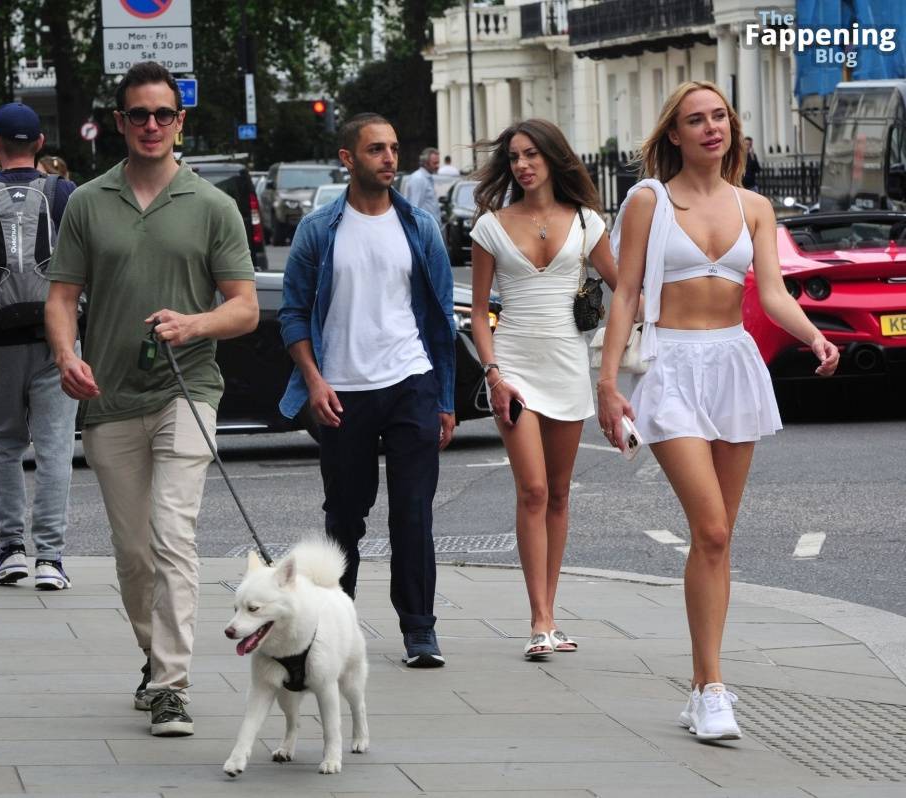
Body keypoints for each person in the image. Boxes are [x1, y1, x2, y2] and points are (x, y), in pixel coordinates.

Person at [596, 81, 838, 741]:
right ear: (673, 134)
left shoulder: (754, 206)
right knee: (709, 525)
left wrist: (814, 334)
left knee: (717, 537)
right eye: (696, 120)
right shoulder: (649, 200)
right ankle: (714, 690)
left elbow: (773, 291)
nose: (711, 128)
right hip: (671, 368)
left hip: (732, 364)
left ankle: (704, 684)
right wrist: (607, 381)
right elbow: (623, 296)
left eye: (720, 117)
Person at [44, 61, 259, 737]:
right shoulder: (86, 201)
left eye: (163, 114)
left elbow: (246, 308)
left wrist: (194, 324)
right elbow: (61, 297)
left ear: (180, 121)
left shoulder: (212, 206)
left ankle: (171, 683)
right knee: (134, 553)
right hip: (107, 396)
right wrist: (65, 355)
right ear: (120, 122)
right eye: (138, 114)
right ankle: (152, 656)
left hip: (187, 390)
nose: (151, 125)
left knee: (173, 535)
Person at [278, 113, 456, 669]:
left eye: (394, 147)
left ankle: (420, 629)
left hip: (410, 382)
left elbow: (441, 321)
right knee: (345, 517)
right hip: (343, 392)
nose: (389, 158)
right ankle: (336, 626)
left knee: (412, 514)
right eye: (376, 149)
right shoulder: (319, 229)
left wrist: (445, 398)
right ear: (348, 158)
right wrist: (313, 380)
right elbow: (292, 316)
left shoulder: (420, 227)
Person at [468, 119, 618, 659]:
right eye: (514, 157)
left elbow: (626, 291)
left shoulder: (586, 223)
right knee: (531, 490)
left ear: (553, 158)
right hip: (514, 370)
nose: (522, 165)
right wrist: (492, 372)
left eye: (531, 154)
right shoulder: (490, 226)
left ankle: (552, 616)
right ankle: (538, 621)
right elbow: (481, 312)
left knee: (557, 493)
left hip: (568, 367)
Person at [0, 102, 78, 591]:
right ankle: (51, 558)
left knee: (3, 443)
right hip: (56, 336)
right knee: (55, 446)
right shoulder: (65, 191)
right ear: (40, 144)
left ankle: (10, 552)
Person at [404, 146, 441, 219]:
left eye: (438, 163)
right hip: (424, 228)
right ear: (425, 163)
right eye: (435, 163)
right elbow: (415, 208)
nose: (437, 166)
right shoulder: (419, 178)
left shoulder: (426, 177)